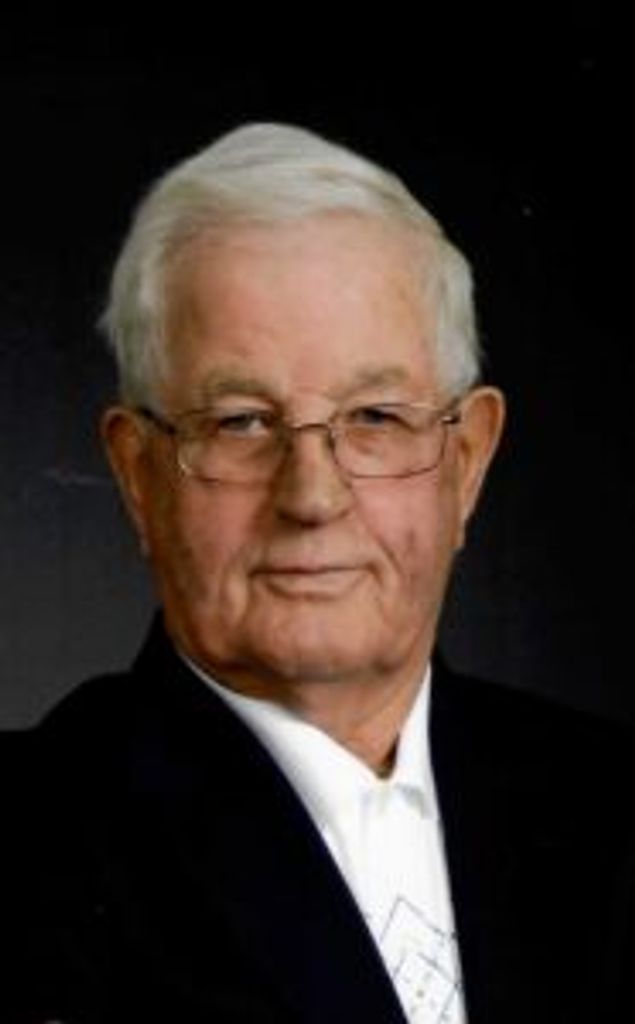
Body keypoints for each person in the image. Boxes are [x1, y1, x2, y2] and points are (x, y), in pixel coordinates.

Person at [8, 124, 634, 1023]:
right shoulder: (30, 843)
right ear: (138, 475)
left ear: (466, 463)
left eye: (375, 416)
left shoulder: (612, 808)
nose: (312, 496)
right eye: (240, 421)